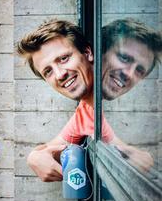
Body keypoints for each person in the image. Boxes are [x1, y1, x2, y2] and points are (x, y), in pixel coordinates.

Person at [17, 19, 158, 182]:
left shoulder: (122, 108)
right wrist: (34, 157)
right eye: (48, 71)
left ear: (88, 53)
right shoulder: (86, 109)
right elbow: (49, 149)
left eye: (63, 58)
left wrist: (147, 158)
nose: (59, 74)